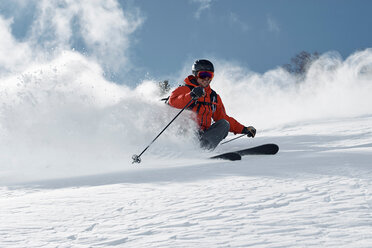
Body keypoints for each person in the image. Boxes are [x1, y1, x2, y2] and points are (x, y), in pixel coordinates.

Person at [168, 59, 256, 150]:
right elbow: (173, 101)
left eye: (210, 76)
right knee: (187, 127)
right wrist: (191, 95)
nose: (206, 79)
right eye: (203, 75)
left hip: (204, 136)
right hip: (186, 133)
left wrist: (244, 129)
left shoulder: (213, 97)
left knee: (224, 124)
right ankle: (192, 149)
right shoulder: (186, 89)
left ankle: (204, 150)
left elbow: (223, 117)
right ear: (195, 75)